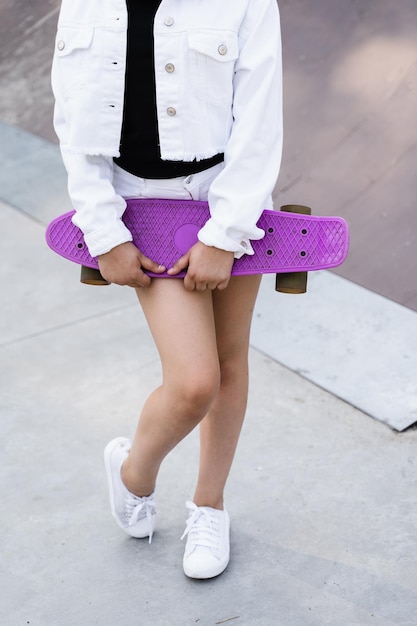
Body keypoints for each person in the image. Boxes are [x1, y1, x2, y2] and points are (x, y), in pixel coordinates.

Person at [51, 0, 283, 579]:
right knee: (193, 381)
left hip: (227, 194)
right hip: (141, 209)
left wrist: (225, 234)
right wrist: (102, 228)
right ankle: (134, 473)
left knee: (229, 364)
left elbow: (260, 118)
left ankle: (210, 507)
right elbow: (72, 116)